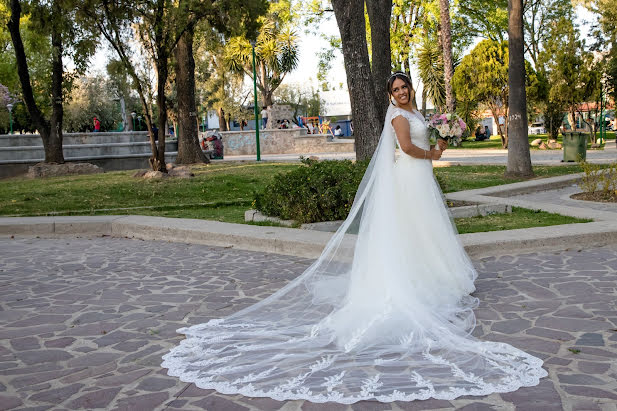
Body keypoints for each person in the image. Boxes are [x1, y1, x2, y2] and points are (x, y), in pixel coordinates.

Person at [162, 71, 547, 403]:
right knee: (415, 227)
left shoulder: (415, 110)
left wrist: (443, 137)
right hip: (412, 176)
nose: (402, 93)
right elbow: (409, 148)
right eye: (396, 90)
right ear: (389, 96)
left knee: (424, 230)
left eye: (405, 88)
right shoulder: (397, 116)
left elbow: (424, 138)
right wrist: (435, 153)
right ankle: (413, 281)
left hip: (421, 178)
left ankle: (431, 273)